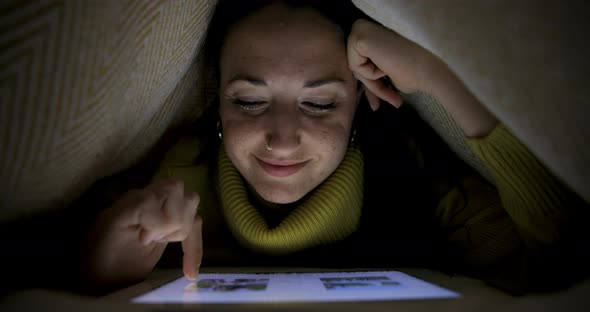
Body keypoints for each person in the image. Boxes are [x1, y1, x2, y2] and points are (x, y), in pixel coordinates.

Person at [80, 0, 588, 294]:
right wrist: (104, 273)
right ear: (217, 102)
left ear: (360, 104)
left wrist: (438, 76)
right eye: (250, 102)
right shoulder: (173, 192)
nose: (282, 139)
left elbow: (565, 265)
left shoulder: (424, 191)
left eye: (320, 105)